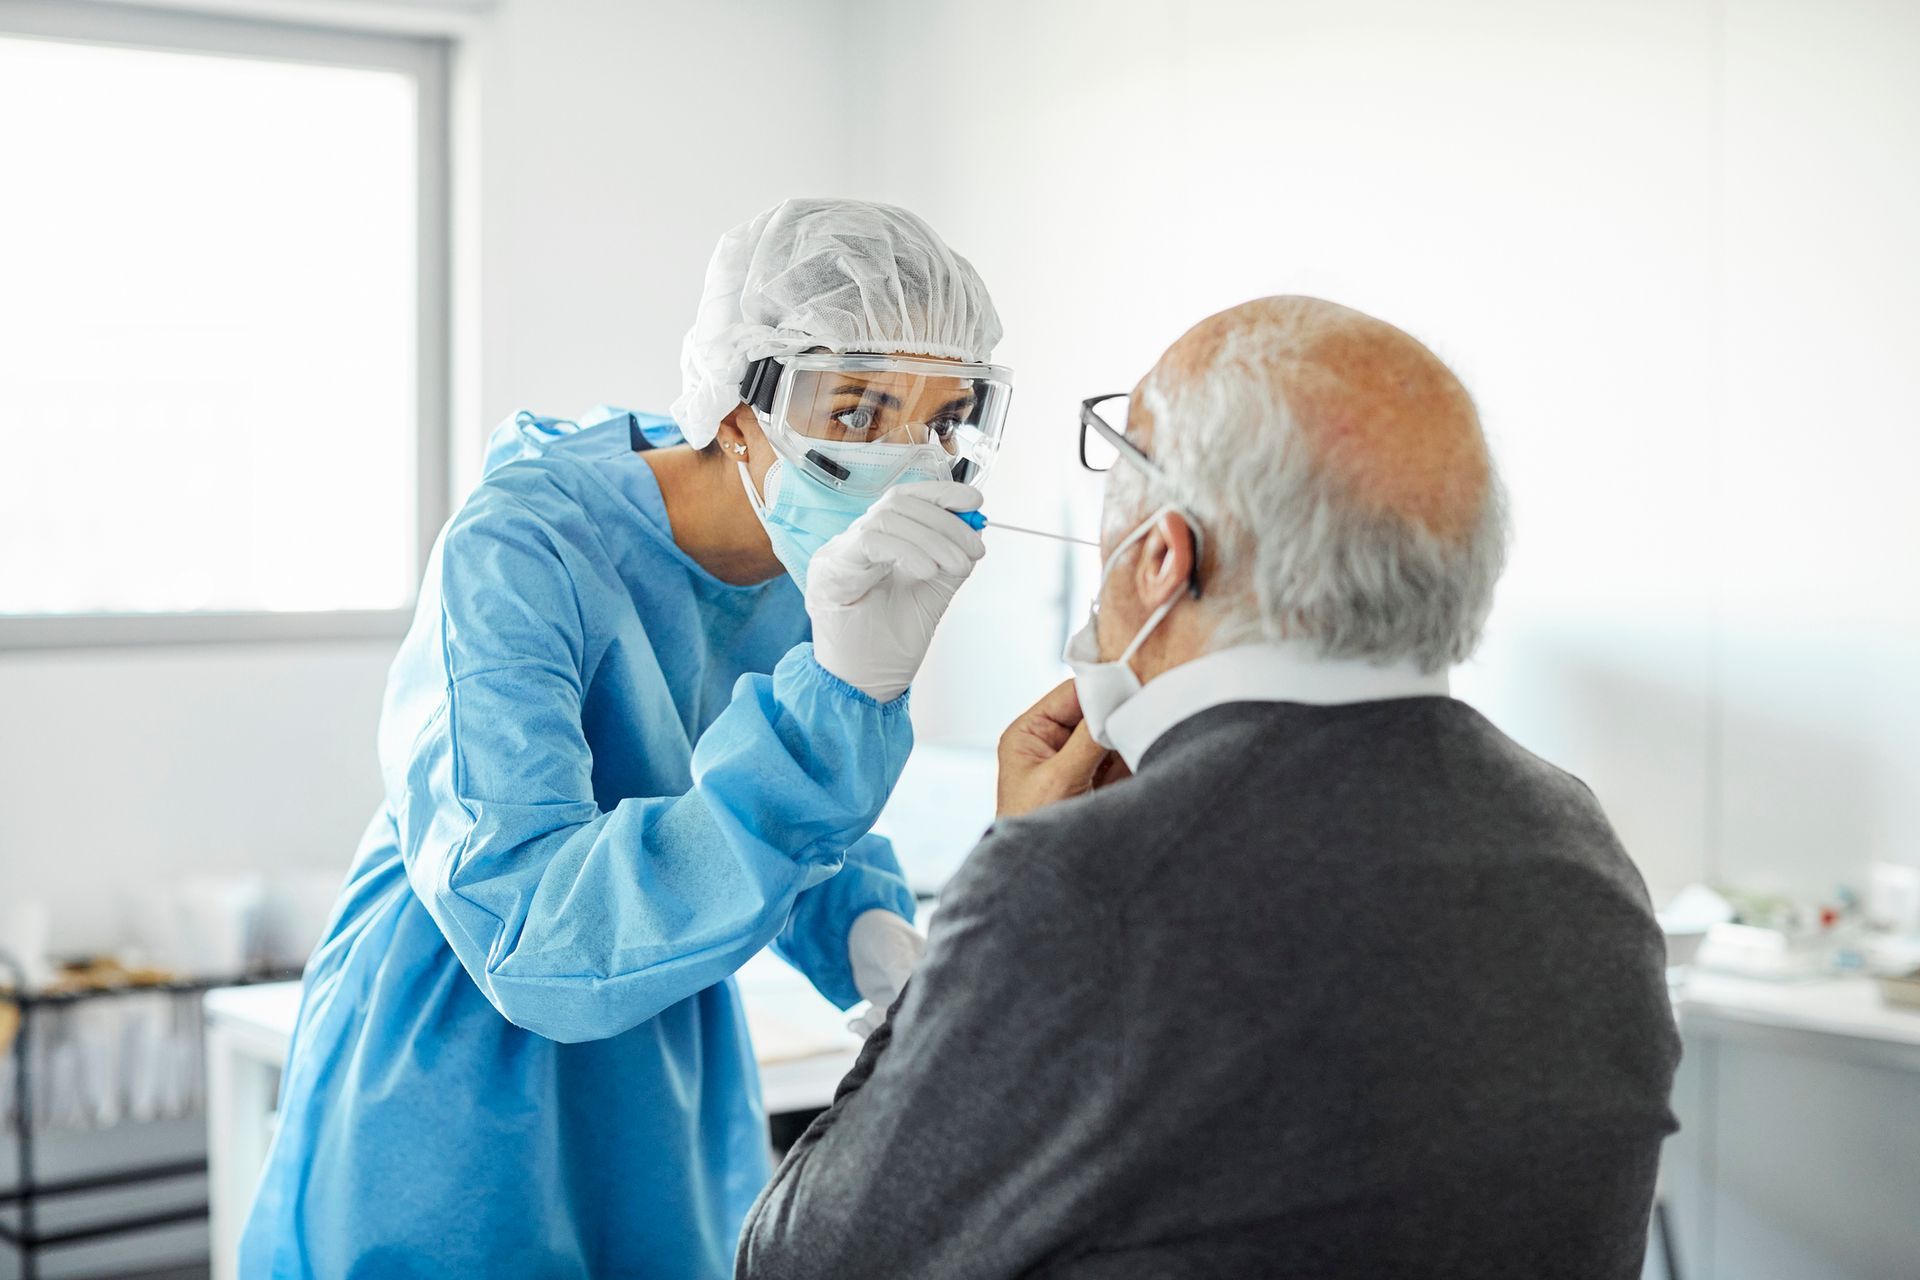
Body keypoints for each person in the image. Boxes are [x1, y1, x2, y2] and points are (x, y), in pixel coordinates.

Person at [736, 295, 1681, 1280]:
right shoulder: (1583, 851)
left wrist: (978, 929)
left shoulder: (1082, 888)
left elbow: (801, 1260)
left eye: (1120, 463)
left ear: (1161, 556)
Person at [239, 198, 1012, 1278]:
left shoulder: (811, 563)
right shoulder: (523, 548)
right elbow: (537, 935)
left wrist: (869, 927)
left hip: (664, 1031)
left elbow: (786, 811)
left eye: (940, 421)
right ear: (739, 409)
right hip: (460, 1051)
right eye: (858, 408)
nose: (903, 460)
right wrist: (838, 694)